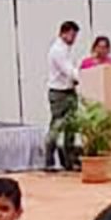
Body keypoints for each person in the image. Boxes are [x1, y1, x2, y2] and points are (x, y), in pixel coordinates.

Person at [44, 21, 82, 172]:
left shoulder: (65, 49)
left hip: (69, 90)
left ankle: (69, 161)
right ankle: (49, 161)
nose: (73, 38)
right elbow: (69, 70)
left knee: (71, 128)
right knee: (57, 126)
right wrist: (84, 78)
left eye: (75, 35)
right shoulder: (58, 50)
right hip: (59, 92)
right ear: (63, 33)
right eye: (71, 35)